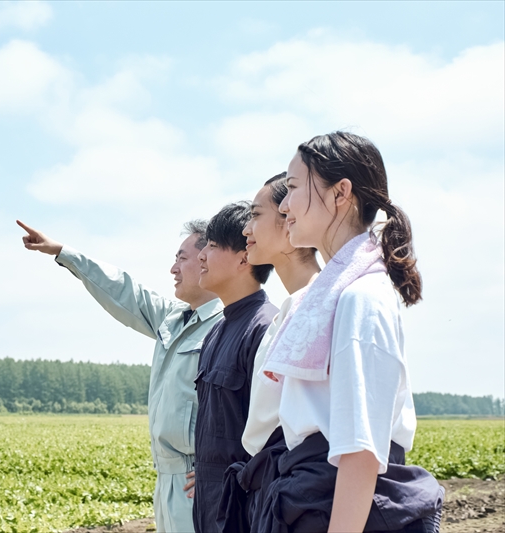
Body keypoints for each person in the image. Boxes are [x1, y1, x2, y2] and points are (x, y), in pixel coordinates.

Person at [251, 132, 444, 532]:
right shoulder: (331, 295)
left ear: (341, 193)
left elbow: (360, 449)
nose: (284, 206)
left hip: (336, 504)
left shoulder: (360, 297)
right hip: (312, 495)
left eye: (291, 188)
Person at [16, 219, 223, 533]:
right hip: (167, 480)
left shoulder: (228, 326)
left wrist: (227, 467)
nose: (173, 269)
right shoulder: (172, 318)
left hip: (200, 480)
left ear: (209, 258)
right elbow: (125, 291)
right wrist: (62, 252)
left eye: (182, 258)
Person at [216, 173, 322, 532]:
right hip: (277, 492)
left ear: (290, 220)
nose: (247, 229)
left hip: (305, 497)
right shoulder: (289, 310)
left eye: (256, 215)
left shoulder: (322, 305)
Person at [188, 202, 278, 533]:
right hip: (209, 509)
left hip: (244, 513)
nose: (202, 256)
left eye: (211, 246)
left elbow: (273, 442)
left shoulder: (266, 328)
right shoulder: (215, 332)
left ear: (244, 257)